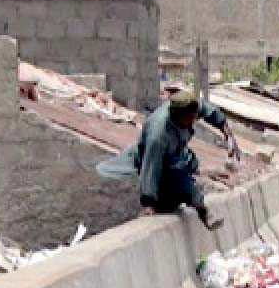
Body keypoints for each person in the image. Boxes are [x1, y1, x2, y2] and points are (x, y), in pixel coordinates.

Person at [97, 90, 239, 228]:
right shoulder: (158, 136)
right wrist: (148, 203)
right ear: (177, 115)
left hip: (178, 152)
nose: (193, 120)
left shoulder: (190, 107)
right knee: (183, 183)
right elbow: (150, 168)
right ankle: (203, 211)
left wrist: (228, 134)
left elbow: (210, 111)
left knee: (191, 163)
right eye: (190, 118)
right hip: (161, 160)